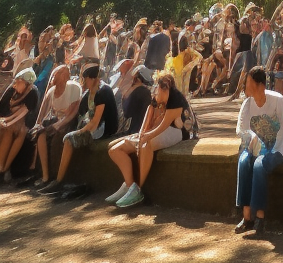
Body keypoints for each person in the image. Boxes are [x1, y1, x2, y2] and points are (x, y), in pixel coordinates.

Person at [106, 71, 191, 208]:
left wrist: (144, 138)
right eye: (158, 87)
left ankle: (139, 188)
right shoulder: (155, 98)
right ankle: (129, 185)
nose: (159, 91)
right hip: (155, 132)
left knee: (146, 143)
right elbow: (145, 125)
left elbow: (163, 127)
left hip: (175, 132)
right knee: (114, 149)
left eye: (164, 88)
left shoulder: (176, 99)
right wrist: (139, 136)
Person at [234, 66, 283, 238]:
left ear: (260, 85)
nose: (246, 86)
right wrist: (251, 136)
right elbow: (241, 129)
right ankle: (246, 216)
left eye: (249, 83)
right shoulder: (248, 103)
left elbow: (282, 131)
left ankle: (260, 218)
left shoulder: (277, 100)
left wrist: (268, 151)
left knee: (259, 165)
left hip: (277, 148)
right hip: (254, 147)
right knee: (244, 162)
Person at [43, 64, 119, 194]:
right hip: (92, 125)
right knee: (65, 135)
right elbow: (82, 112)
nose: (84, 83)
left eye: (86, 79)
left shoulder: (103, 92)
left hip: (103, 128)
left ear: (92, 78)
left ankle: (59, 181)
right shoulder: (89, 93)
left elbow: (96, 121)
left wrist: (79, 131)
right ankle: (61, 178)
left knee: (69, 139)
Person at [31, 64, 81, 183]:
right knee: (40, 134)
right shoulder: (52, 91)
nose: (53, 77)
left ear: (64, 76)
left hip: (70, 121)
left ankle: (57, 176)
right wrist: (38, 124)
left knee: (57, 139)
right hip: (56, 120)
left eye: (57, 74)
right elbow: (43, 111)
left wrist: (58, 125)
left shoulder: (74, 88)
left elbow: (72, 113)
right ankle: (45, 175)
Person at [0, 68, 40, 180]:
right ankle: (2, 166)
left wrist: (9, 122)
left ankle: (3, 167)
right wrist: (6, 120)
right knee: (6, 129)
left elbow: (23, 113)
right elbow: (3, 106)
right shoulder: (12, 90)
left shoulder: (32, 93)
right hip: (8, 118)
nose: (14, 85)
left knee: (16, 130)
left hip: (25, 123)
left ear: (26, 83)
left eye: (18, 82)